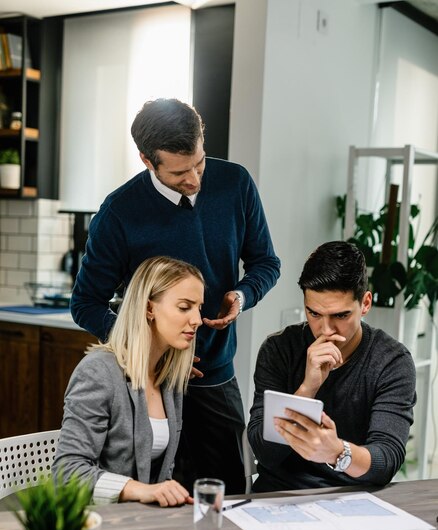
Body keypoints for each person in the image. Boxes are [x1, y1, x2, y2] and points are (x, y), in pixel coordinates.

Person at [70, 98, 281, 494]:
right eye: (181, 171)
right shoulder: (119, 213)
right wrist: (149, 347)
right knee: (159, 496)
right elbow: (85, 305)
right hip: (151, 385)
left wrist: (242, 294)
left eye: (199, 163)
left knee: (231, 496)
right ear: (148, 161)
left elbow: (266, 263)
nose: (196, 179)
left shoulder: (236, 183)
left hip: (216, 377)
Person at [247, 241, 416, 492]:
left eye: (340, 315)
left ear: (365, 304)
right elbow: (264, 452)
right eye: (314, 314)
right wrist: (307, 389)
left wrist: (338, 452)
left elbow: (387, 460)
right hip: (279, 493)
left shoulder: (392, 361)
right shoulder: (279, 349)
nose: (326, 330)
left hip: (355, 497)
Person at [53, 256, 204, 507]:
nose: (197, 319)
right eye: (184, 307)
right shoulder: (98, 372)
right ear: (149, 308)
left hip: (142, 523)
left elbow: (162, 474)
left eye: (199, 307)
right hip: (97, 523)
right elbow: (67, 474)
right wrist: (142, 491)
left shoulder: (169, 378)